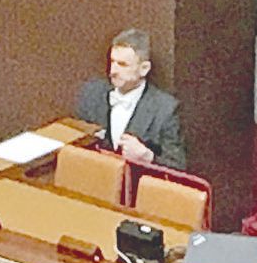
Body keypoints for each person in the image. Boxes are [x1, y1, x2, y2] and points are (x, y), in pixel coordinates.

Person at [74, 28, 188, 171]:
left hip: (139, 187)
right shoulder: (92, 94)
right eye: (112, 62)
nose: (112, 71)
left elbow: (178, 166)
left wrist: (148, 157)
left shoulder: (164, 109)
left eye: (122, 65)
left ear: (144, 69)